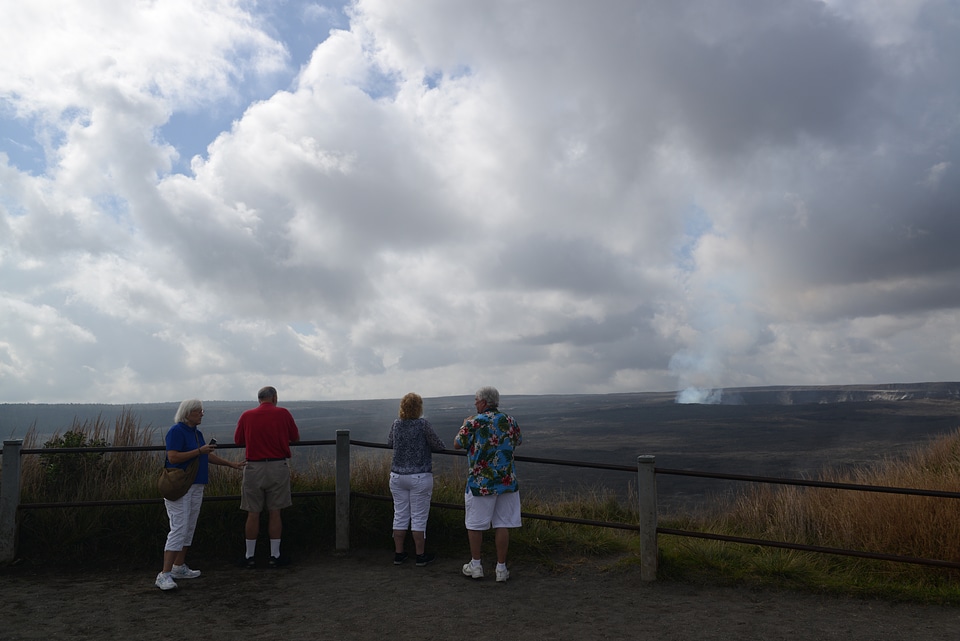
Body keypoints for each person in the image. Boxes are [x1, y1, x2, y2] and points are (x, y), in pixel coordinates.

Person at [156, 398, 244, 591]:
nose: (202, 414)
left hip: (196, 484)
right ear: (187, 413)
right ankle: (164, 574)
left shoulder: (196, 433)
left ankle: (178, 567)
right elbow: (173, 457)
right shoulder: (176, 431)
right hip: (181, 485)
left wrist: (231, 464)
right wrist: (199, 451)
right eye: (198, 411)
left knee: (188, 526)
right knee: (179, 527)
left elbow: (205, 455)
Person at [453, 386, 522, 582]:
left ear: (483, 402)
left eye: (476, 400)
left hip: (480, 482)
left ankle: (476, 565)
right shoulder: (509, 420)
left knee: (475, 525)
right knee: (502, 524)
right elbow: (518, 440)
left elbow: (457, 443)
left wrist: (463, 424)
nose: (474, 403)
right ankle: (501, 568)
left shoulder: (475, 422)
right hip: (506, 481)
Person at [234, 386, 301, 568]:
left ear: (259, 399)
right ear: (275, 397)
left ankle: (249, 556)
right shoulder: (283, 413)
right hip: (277, 466)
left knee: (253, 512)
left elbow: (238, 440)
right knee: (275, 511)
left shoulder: (246, 416)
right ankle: (275, 555)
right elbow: (295, 437)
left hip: (253, 467)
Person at [387, 392, 447, 567]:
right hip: (420, 476)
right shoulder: (423, 425)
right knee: (419, 517)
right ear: (419, 408)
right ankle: (420, 555)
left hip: (397, 476)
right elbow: (439, 445)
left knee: (400, 515)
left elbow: (390, 442)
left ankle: (399, 554)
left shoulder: (396, 424)